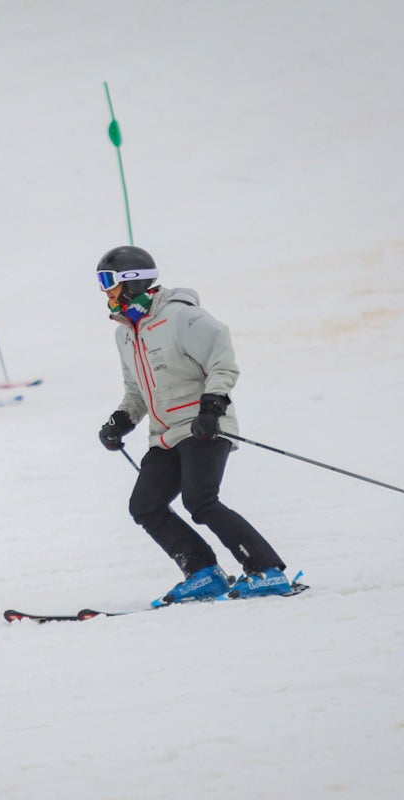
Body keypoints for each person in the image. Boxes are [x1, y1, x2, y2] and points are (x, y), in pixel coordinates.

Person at [94, 245, 292, 604]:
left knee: (200, 500)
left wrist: (212, 405)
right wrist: (121, 421)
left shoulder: (181, 316)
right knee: (145, 505)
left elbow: (222, 360)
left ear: (131, 281)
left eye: (108, 281)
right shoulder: (125, 332)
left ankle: (267, 571)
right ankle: (203, 573)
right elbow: (136, 392)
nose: (104, 291)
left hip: (204, 426)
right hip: (166, 435)